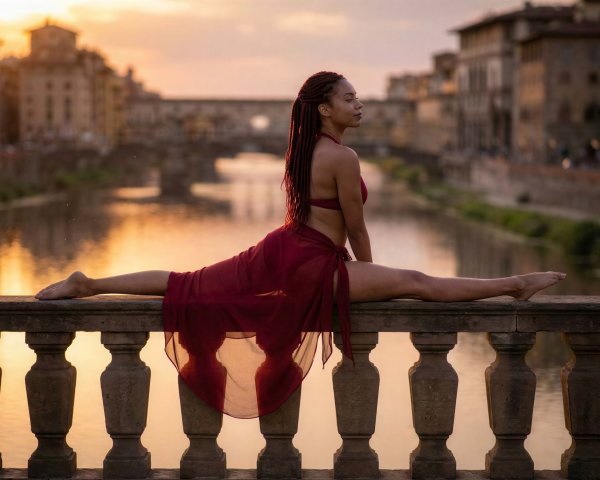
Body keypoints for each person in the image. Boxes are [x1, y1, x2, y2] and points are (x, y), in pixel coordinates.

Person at [35, 71, 566, 418]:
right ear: (324, 109)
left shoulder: (303, 149)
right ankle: (516, 284)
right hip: (312, 263)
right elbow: (355, 231)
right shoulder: (343, 157)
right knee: (417, 283)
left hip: (281, 249)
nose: (360, 105)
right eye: (349, 99)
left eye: (359, 97)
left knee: (186, 284)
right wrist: (371, 280)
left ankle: (89, 282)